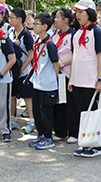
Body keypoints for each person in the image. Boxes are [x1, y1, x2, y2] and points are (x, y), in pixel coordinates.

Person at [68, 0, 101, 158]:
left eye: (81, 12)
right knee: (82, 113)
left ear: (90, 13)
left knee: (92, 113)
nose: (78, 15)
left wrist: (100, 79)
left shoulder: (96, 32)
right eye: (76, 12)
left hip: (91, 80)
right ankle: (85, 143)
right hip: (78, 80)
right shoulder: (77, 33)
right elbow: (75, 57)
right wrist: (71, 79)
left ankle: (96, 145)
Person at [27, 13, 60, 150]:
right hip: (37, 83)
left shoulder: (50, 44)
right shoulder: (37, 42)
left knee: (46, 112)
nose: (33, 26)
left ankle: (48, 137)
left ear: (45, 26)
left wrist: (54, 79)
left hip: (48, 85)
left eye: (36, 24)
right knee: (37, 111)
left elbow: (56, 64)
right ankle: (40, 135)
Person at [9, 8, 35, 133]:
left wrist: (21, 69)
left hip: (24, 72)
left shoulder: (27, 35)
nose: (9, 20)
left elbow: (31, 55)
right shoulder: (10, 32)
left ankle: (31, 121)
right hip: (12, 70)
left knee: (27, 96)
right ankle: (11, 119)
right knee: (12, 95)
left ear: (19, 19)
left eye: (12, 18)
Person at [51, 8, 76, 142]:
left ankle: (73, 132)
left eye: (57, 17)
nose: (54, 20)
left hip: (68, 73)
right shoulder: (55, 36)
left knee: (70, 104)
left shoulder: (73, 35)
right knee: (58, 103)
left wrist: (63, 63)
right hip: (57, 73)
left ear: (65, 20)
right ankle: (60, 131)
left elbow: (77, 55)